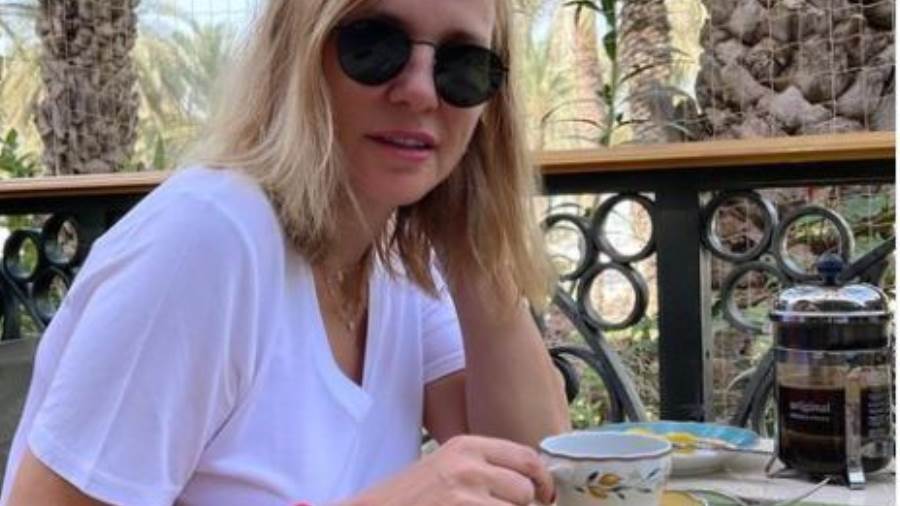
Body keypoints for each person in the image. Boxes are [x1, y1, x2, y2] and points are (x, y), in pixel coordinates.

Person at [1, 0, 571, 504]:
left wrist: (474, 238)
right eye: (374, 45)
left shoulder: (393, 260)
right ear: (296, 58)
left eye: (464, 66)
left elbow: (536, 467)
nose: (421, 91)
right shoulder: (208, 240)